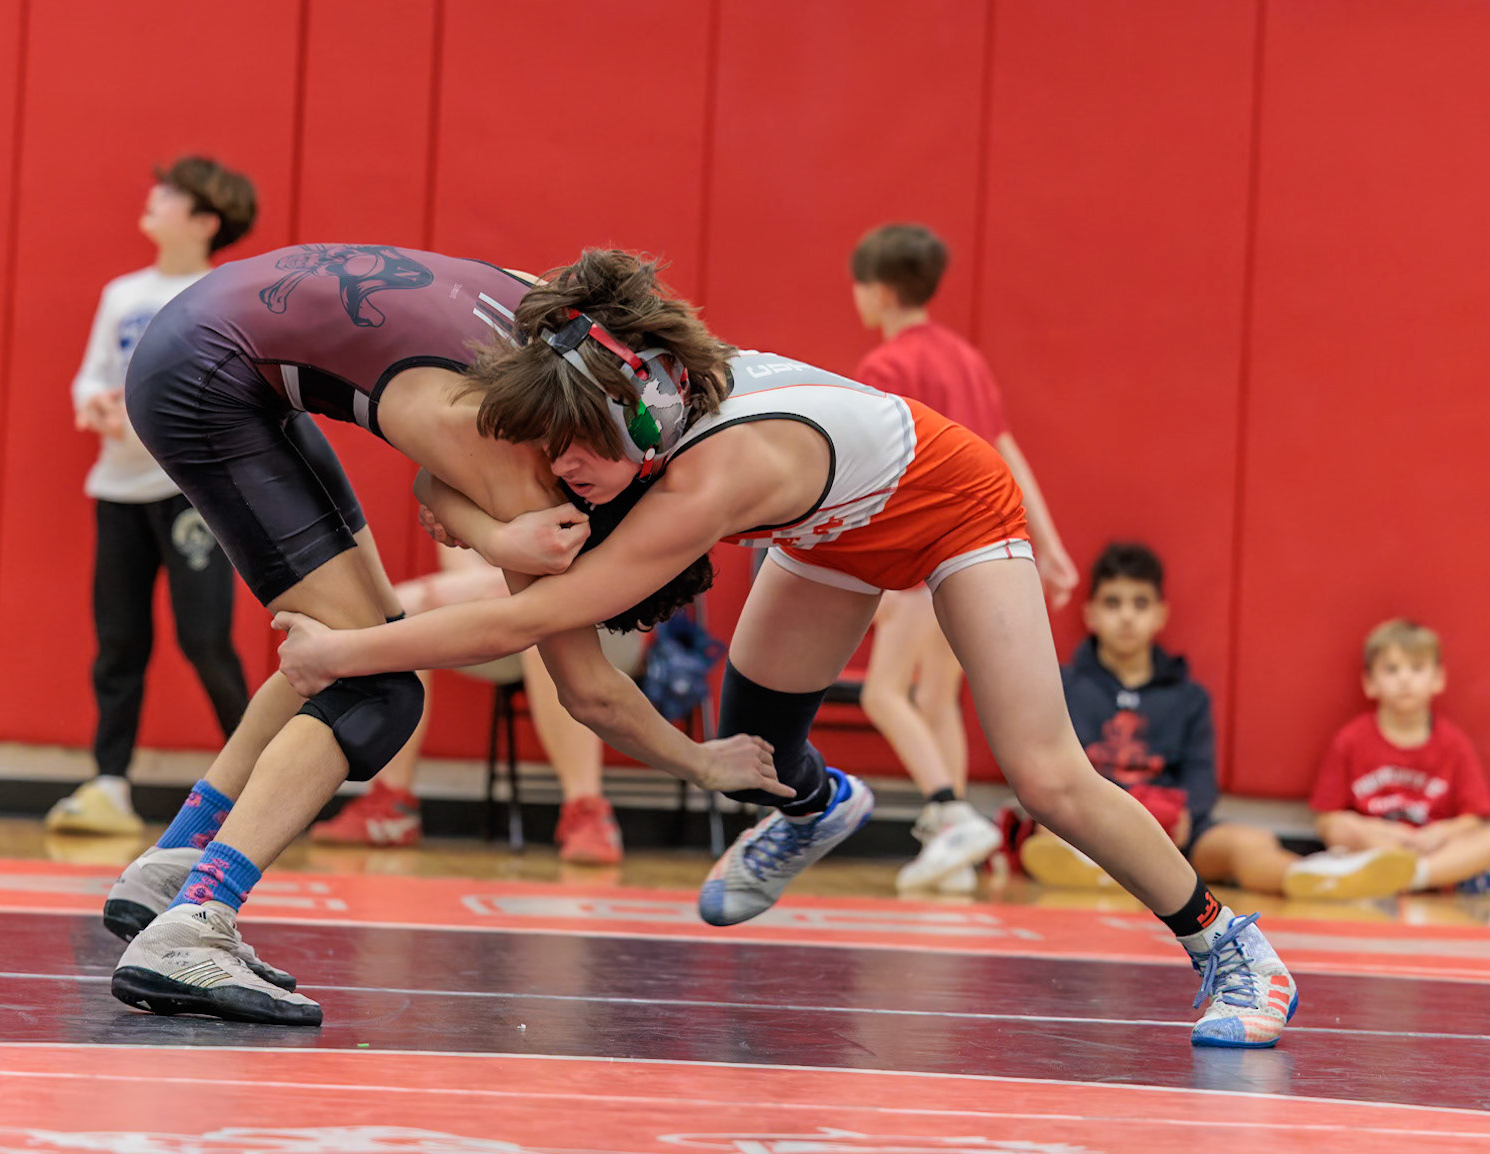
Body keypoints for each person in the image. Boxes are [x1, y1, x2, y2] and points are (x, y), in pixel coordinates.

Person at [277, 249, 1301, 1048]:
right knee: (755, 747)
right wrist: (493, 529)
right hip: (831, 531)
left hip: (952, 506)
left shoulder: (709, 477)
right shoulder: (630, 406)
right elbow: (441, 476)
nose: (557, 467)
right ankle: (816, 806)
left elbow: (525, 622)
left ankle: (1232, 947)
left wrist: (344, 651)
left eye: (574, 450)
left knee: (1046, 775)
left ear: (641, 422)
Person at [102, 243, 780, 1027]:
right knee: (375, 693)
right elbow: (585, 689)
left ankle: (174, 866)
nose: (575, 472)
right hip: (209, 372)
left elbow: (434, 474)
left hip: (224, 343)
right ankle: (194, 924)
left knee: (363, 647)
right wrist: (700, 762)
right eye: (585, 455)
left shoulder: (565, 325)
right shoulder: (517, 461)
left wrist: (491, 537)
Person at [847, 223, 1078, 894]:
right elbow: (1005, 452)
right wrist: (1050, 546)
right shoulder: (966, 359)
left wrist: (876, 567)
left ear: (879, 292)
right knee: (936, 698)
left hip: (921, 555)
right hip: (975, 556)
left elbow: (878, 476)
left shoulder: (884, 368)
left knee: (883, 692)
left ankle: (948, 812)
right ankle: (956, 853)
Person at [45, 157, 258, 837]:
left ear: (205, 221)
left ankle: (258, 783)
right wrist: (95, 404)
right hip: (118, 490)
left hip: (192, 492)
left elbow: (230, 394)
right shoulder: (122, 293)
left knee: (205, 638)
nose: (154, 199)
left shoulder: (223, 296)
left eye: (171, 195)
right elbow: (91, 374)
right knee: (118, 640)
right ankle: (109, 784)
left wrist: (151, 416)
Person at [1022, 542, 1418, 901]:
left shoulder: (1189, 697)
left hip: (1174, 834)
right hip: (1095, 823)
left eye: (1140, 604)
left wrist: (1183, 817)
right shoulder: (1064, 685)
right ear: (1090, 614)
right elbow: (1053, 769)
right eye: (1113, 603)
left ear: (1161, 614)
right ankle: (1099, 866)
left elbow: (1200, 780)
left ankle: (1310, 876)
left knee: (1250, 842)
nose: (1127, 616)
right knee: (1050, 831)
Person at [311, 543, 627, 864]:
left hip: (607, 618)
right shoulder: (458, 507)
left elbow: (605, 574)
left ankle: (587, 808)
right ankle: (392, 806)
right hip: (506, 609)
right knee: (399, 618)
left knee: (552, 632)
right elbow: (461, 569)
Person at [1309, 619, 1490, 894]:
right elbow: (1326, 819)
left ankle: (1416, 876)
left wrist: (1439, 833)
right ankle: (1391, 871)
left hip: (1435, 852)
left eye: (1416, 668)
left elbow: (1475, 818)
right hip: (1375, 848)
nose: (1404, 679)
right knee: (1338, 827)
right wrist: (1379, 833)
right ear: (1370, 683)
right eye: (1392, 669)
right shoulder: (1350, 740)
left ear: (1438, 679)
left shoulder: (1455, 744)